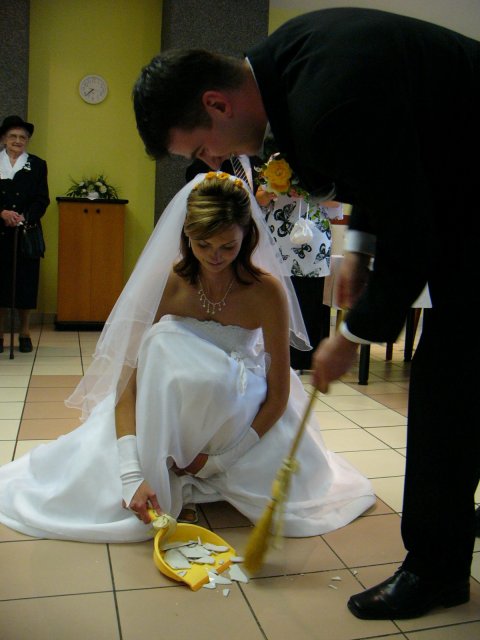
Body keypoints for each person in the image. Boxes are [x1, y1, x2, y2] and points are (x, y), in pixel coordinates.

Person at [132, 7, 480, 619]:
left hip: (463, 204)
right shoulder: (290, 63)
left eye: (203, 148)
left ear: (216, 103)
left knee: (449, 384)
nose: (211, 164)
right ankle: (446, 542)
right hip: (455, 195)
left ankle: (435, 567)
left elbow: (413, 229)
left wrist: (354, 334)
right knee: (459, 381)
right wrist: (360, 250)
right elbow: (385, 164)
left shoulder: (325, 103)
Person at [0, 172, 374, 543]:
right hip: (169, 407)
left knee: (290, 478)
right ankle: (168, 465)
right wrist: (131, 472)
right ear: (186, 236)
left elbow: (278, 394)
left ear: (247, 236)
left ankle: (205, 473)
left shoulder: (266, 291)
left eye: (228, 246)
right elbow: (128, 387)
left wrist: (220, 461)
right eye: (203, 244)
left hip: (238, 411)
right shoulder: (170, 283)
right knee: (160, 344)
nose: (215, 257)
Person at [256, 177, 343, 370]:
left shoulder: (322, 171)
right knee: (278, 293)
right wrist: (276, 191)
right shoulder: (277, 165)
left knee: (310, 295)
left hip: (313, 236)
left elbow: (336, 202)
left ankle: (306, 357)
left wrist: (308, 193)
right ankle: (277, 352)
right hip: (280, 234)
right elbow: (260, 197)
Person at [0, 115, 49, 353]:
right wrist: (2, 213)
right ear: (4, 139)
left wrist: (24, 217)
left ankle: (25, 332)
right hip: (0, 231)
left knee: (26, 283)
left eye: (22, 137)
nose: (17, 141)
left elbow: (42, 199)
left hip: (26, 233)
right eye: (13, 136)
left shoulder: (37, 165)